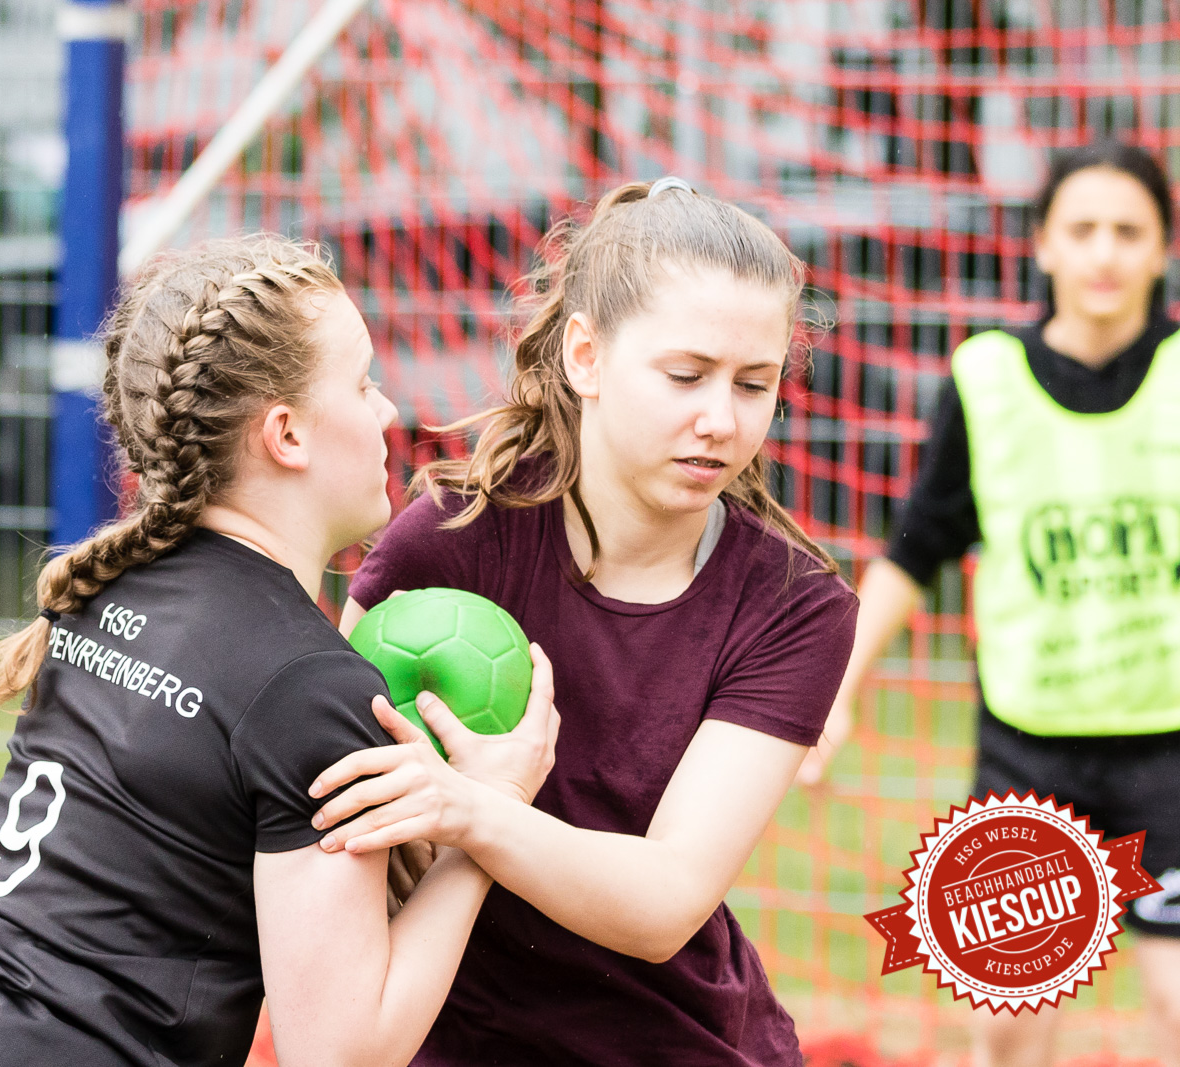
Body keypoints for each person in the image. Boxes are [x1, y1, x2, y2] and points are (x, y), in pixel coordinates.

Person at [0, 234, 558, 1067]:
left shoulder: (106, 593)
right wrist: (487, 818)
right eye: (363, 383)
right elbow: (342, 1051)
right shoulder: (306, 685)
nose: (388, 411)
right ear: (286, 434)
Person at [305, 179, 860, 1066]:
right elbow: (327, 813)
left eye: (754, 386)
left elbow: (664, 904)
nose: (720, 419)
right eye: (685, 375)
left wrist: (476, 810)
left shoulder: (797, 608)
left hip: (679, 1043)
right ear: (586, 357)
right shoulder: (446, 544)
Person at [800, 140, 1180, 1066]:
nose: (1104, 252)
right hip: (1027, 743)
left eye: (1128, 231)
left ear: (1163, 247)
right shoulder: (987, 377)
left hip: (1170, 747)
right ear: (1042, 244)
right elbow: (916, 547)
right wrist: (835, 689)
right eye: (1081, 228)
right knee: (1010, 1029)